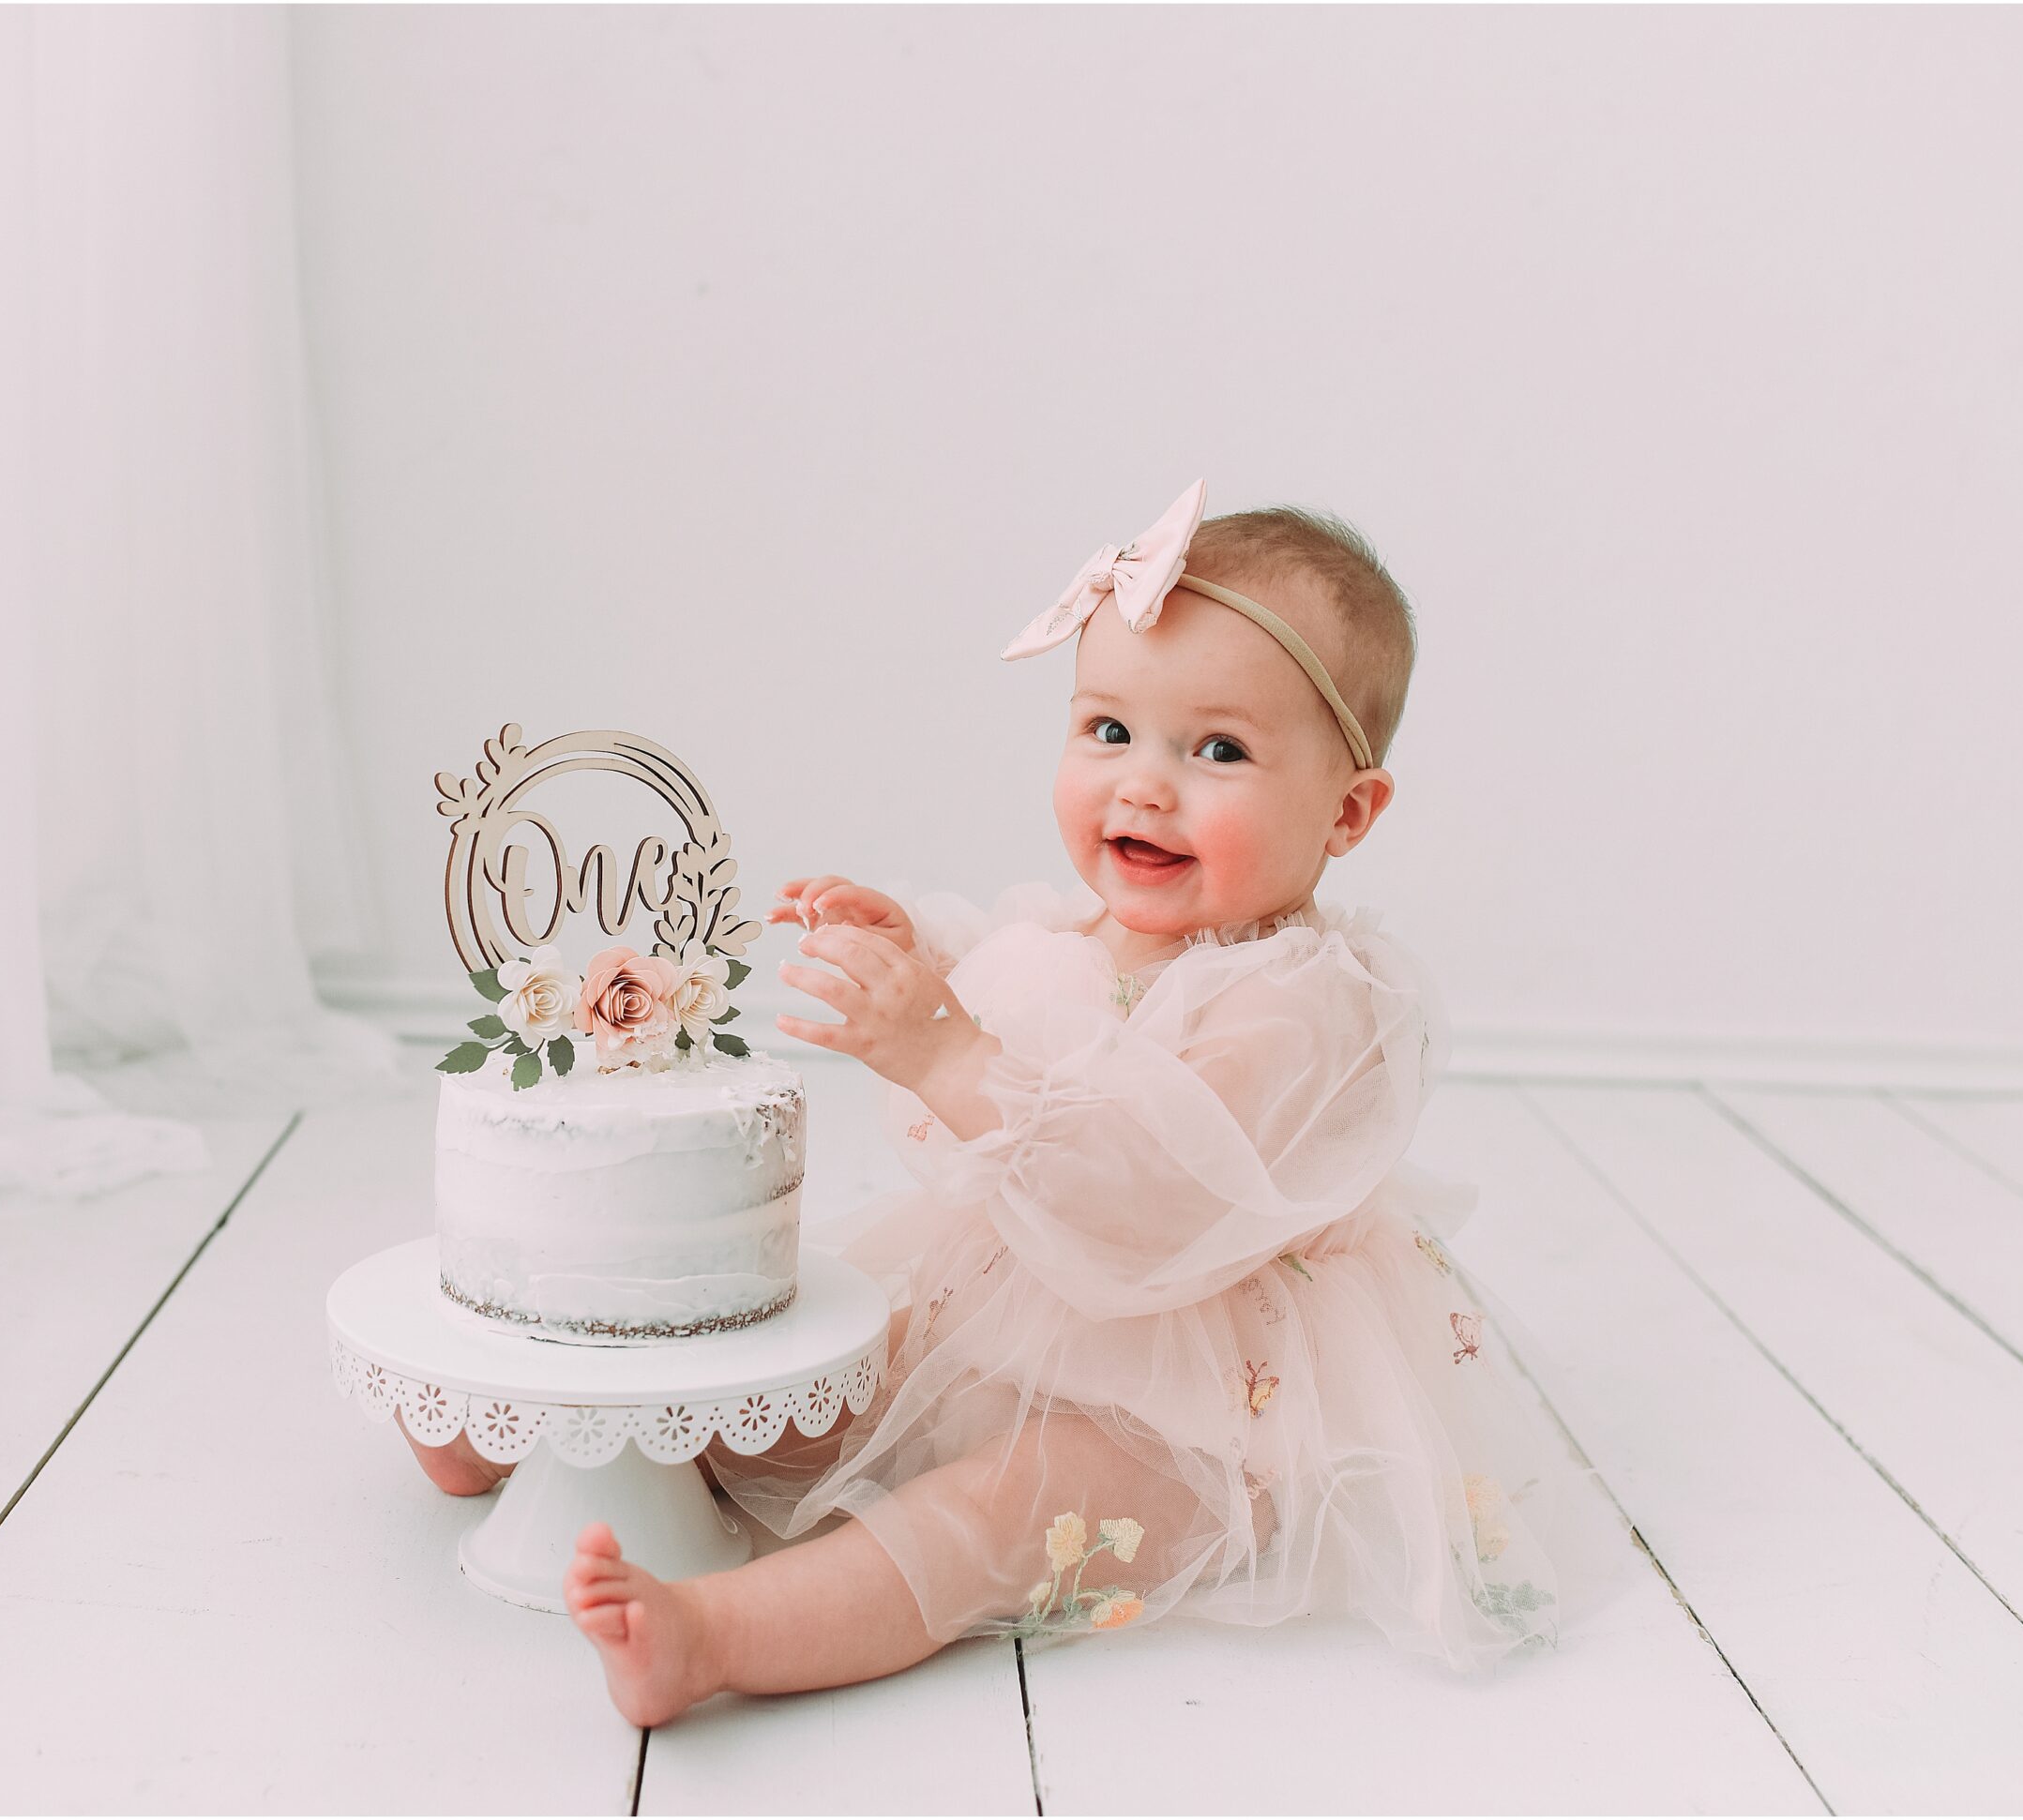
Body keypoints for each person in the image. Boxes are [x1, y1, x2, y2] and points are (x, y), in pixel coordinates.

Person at [406, 481, 1608, 1724]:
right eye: (1110, 730)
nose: (1144, 787)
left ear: (1348, 811)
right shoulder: (1088, 923)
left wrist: (942, 1050)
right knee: (812, 1386)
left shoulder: (1309, 1003)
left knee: (993, 1513)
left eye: (1219, 751)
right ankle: (523, 1438)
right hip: (1007, 1307)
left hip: (1204, 1403)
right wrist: (916, 952)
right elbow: (1008, 978)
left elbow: (1155, 1193)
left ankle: (716, 1637)